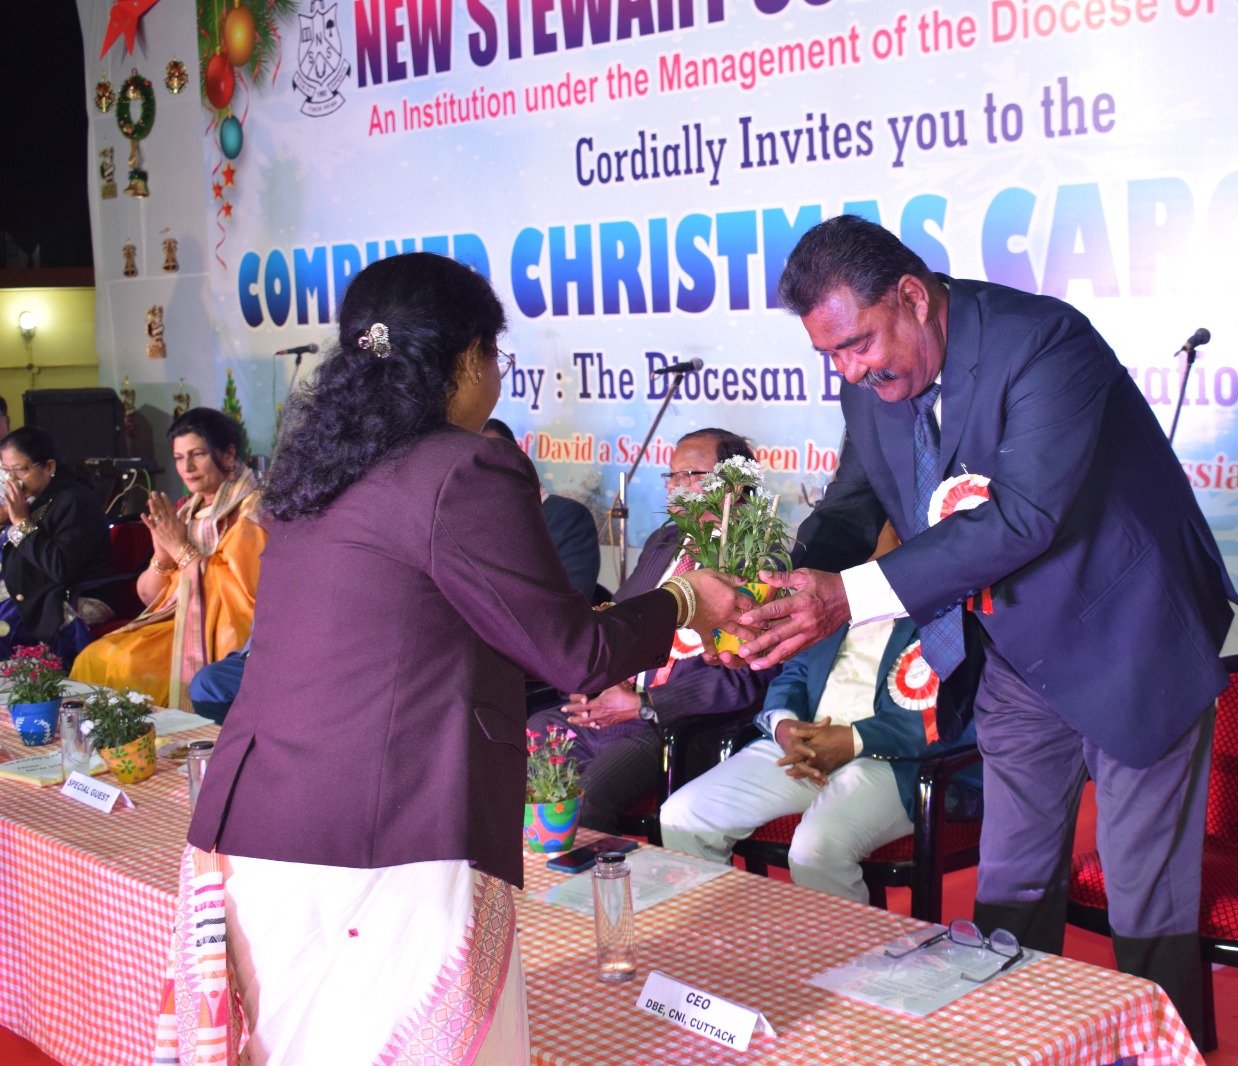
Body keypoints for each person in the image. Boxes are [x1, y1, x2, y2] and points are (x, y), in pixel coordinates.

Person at [174, 252, 744, 1064]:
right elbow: (574, 650)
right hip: (386, 829)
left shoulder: (313, 473)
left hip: (259, 818)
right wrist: (688, 599)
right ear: (468, 358)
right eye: (495, 356)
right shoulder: (464, 466)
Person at [726, 215, 1238, 1036]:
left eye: (857, 344)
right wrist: (776, 591)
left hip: (1129, 639)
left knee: (1145, 891)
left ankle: (1168, 1047)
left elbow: (1023, 517)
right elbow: (853, 509)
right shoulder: (868, 383)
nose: (850, 370)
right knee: (1012, 882)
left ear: (911, 296)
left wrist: (845, 597)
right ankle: (1014, 1043)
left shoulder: (1044, 342)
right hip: (1011, 653)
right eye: (831, 356)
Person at [526, 428, 777, 832]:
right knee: (522, 751)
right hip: (608, 705)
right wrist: (595, 681)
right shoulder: (665, 542)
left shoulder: (757, 559)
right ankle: (525, 874)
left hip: (663, 724)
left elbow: (745, 680)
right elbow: (620, 619)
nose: (676, 487)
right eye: (671, 476)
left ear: (734, 486)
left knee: (583, 796)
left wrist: (644, 704)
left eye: (690, 475)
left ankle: (590, 874)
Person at [661, 614, 980, 902]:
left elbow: (947, 714)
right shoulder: (834, 593)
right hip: (803, 743)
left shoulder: (945, 602)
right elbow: (796, 671)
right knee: (684, 816)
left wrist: (854, 740)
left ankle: (851, 950)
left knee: (816, 848)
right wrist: (785, 725)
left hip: (895, 758)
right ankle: (720, 940)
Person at [70, 408, 264, 708]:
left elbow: (246, 595)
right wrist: (162, 554)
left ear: (228, 455)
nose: (187, 467)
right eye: (178, 457)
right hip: (176, 621)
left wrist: (181, 550)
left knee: (126, 666)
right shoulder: (186, 510)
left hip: (222, 633)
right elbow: (149, 596)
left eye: (198, 454)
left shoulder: (254, 509)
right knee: (93, 657)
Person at [0, 426, 112, 664]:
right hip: (30, 589)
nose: (12, 481)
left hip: (62, 596)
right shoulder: (35, 499)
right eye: (6, 471)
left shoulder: (74, 501)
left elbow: (60, 568)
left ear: (49, 467)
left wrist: (21, 523)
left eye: (20, 470)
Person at [482, 417, 600, 598]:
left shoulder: (567, 519)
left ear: (517, 459)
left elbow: (569, 604)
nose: (480, 470)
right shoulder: (466, 524)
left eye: (489, 458)